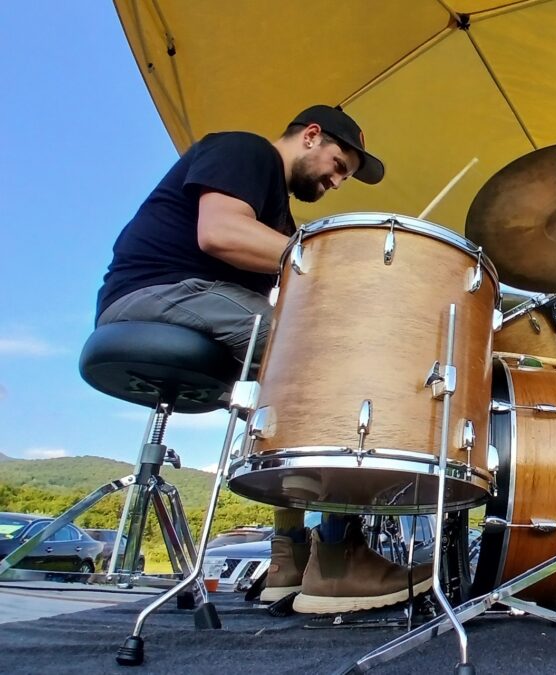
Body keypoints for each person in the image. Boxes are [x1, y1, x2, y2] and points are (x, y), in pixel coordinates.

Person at [95, 104, 433, 612]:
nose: (337, 183)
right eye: (339, 166)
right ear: (312, 137)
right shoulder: (246, 150)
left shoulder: (277, 210)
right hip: (160, 293)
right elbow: (220, 233)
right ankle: (339, 558)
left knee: (292, 400)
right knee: (340, 364)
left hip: (183, 298)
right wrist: (334, 262)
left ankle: (289, 558)